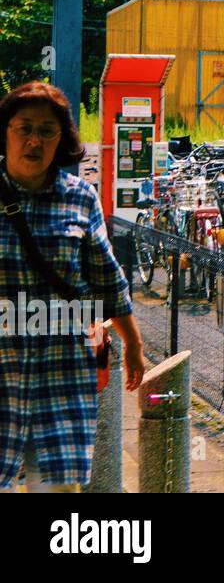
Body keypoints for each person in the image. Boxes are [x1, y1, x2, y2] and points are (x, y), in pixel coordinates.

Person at [0, 81, 145, 492]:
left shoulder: (80, 198)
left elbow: (107, 278)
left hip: (62, 375)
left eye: (47, 131)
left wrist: (132, 344)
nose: (34, 140)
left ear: (61, 139)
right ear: (5, 131)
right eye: (23, 127)